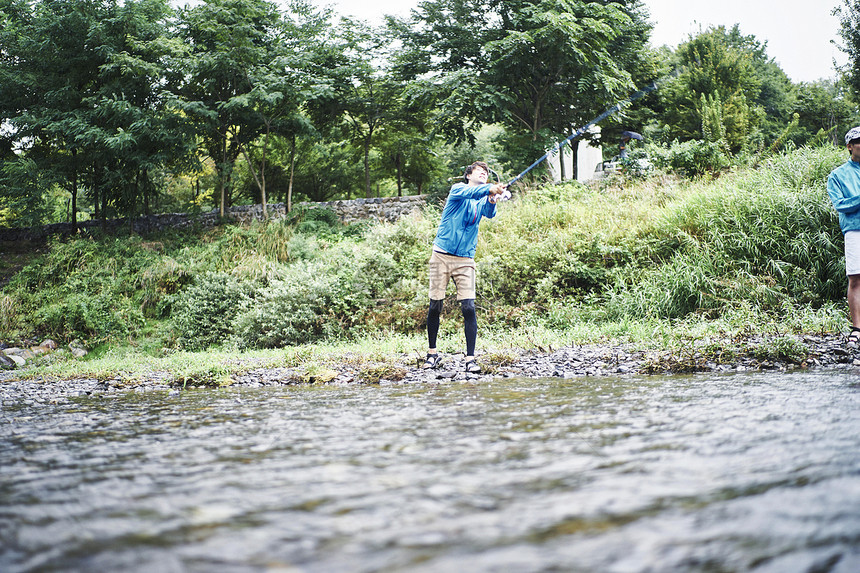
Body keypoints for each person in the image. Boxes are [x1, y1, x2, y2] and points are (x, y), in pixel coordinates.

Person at [421, 161, 507, 372]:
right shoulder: (458, 190)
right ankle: (432, 354)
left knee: (468, 307)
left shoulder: (480, 198)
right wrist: (489, 189)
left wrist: (493, 198)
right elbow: (472, 192)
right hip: (440, 255)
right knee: (435, 306)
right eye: (480, 171)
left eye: (486, 173)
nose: (484, 174)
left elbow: (489, 212)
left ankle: (470, 359)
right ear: (469, 175)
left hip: (466, 260)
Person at [826, 126, 860, 345]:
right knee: (856, 279)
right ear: (850, 147)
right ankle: (857, 329)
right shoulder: (837, 175)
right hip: (854, 231)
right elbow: (840, 205)